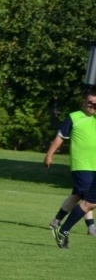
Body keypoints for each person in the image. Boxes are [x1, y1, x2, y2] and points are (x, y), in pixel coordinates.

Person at [48, 90, 96, 248]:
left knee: (78, 196)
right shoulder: (74, 117)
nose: (92, 106)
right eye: (90, 102)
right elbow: (60, 137)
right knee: (88, 199)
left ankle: (57, 222)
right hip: (81, 165)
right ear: (83, 102)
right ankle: (88, 226)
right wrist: (50, 154)